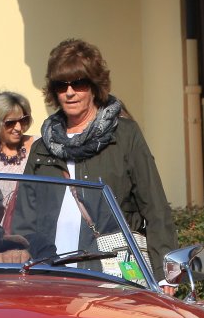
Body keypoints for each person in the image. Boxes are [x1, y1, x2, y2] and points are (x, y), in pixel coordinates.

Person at [21, 38, 177, 273]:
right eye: (61, 85)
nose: (70, 92)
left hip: (110, 271)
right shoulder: (42, 147)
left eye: (79, 83)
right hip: (50, 273)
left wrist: (167, 274)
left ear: (94, 85)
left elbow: (155, 208)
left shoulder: (124, 136)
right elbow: (24, 220)